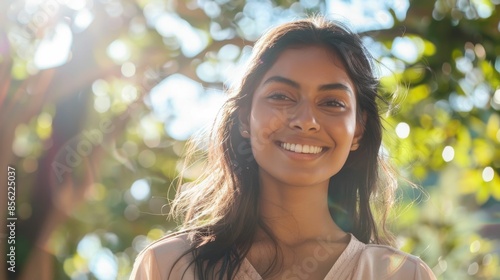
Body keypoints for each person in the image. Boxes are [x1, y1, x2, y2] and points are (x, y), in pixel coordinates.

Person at [130, 16, 436, 280]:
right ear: (244, 119)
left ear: (358, 129)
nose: (306, 121)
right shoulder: (169, 266)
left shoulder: (402, 275)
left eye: (332, 102)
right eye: (281, 96)